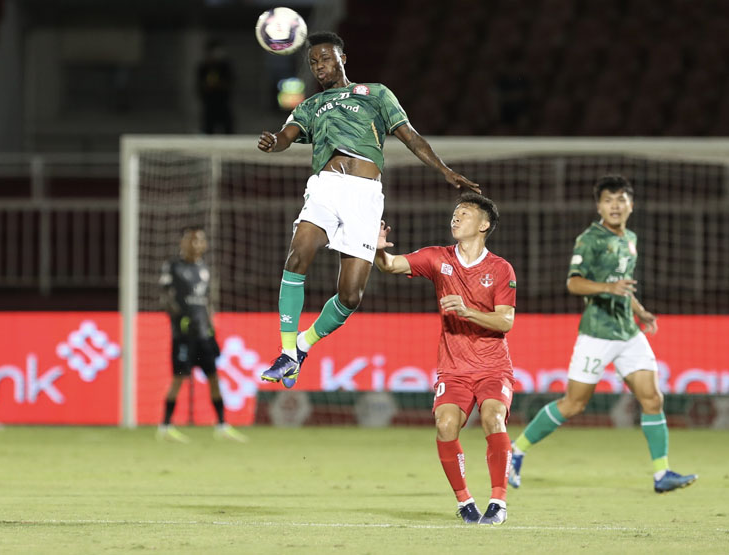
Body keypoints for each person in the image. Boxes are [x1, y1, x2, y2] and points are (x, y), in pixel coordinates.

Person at [257, 31, 480, 388]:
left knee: (350, 295)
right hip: (326, 186)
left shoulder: (376, 94)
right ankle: (285, 353)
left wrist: (444, 170)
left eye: (325, 58)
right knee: (298, 255)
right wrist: (274, 142)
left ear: (342, 59)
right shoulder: (310, 106)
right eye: (313, 62)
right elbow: (287, 135)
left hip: (364, 195)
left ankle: (301, 347)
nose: (319, 66)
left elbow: (410, 135)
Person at [509, 175, 697, 493]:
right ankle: (516, 450)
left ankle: (661, 474)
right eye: (608, 200)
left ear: (631, 205)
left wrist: (640, 311)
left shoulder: (630, 238)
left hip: (628, 332)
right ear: (599, 206)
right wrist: (608, 288)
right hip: (597, 333)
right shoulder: (589, 240)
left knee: (653, 399)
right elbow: (574, 283)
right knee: (574, 404)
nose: (615, 206)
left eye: (621, 200)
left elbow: (623, 285)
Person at [375, 193, 516, 525]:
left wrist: (467, 312)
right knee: (445, 425)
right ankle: (465, 502)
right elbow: (391, 265)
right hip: (453, 369)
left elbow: (505, 321)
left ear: (484, 225)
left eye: (465, 213)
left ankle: (498, 503)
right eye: (455, 212)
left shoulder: (500, 268)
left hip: (493, 366)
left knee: (494, 418)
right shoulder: (437, 258)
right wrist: (378, 249)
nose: (456, 217)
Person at [157, 226, 247, 443]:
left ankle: (222, 425)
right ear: (183, 243)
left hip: (203, 335)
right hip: (183, 335)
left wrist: (210, 325)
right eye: (191, 240)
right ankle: (165, 426)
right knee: (179, 378)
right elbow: (164, 298)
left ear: (204, 245)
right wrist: (178, 317)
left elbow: (207, 302)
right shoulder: (173, 267)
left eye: (199, 240)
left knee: (214, 377)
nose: (195, 244)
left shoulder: (204, 270)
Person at [197, 38, 234, 134]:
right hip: (209, 105)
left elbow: (230, 84)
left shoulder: (225, 67)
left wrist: (218, 85)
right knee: (208, 130)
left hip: (223, 103)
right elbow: (200, 86)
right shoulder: (203, 67)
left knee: (228, 130)